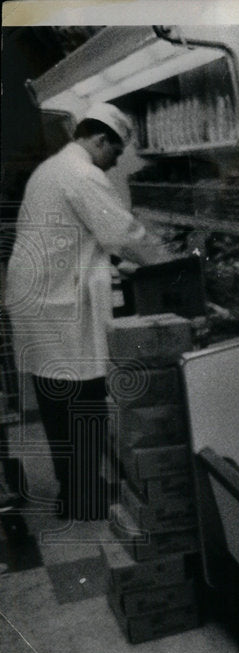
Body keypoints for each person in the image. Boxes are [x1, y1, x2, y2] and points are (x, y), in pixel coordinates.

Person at [3, 102, 171, 521]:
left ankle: (74, 490)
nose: (115, 165)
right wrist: (172, 261)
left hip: (42, 301)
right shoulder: (83, 174)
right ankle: (81, 497)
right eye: (114, 153)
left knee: (58, 401)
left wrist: (117, 262)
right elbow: (123, 232)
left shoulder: (53, 168)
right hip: (60, 308)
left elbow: (79, 237)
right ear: (99, 140)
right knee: (84, 399)